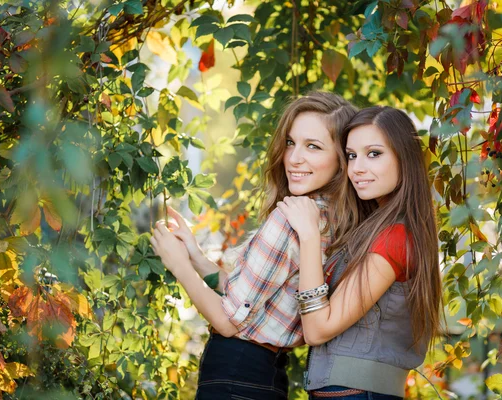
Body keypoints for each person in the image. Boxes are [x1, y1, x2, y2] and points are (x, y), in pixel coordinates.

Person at [149, 91, 357, 400]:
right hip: (266, 374)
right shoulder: (330, 220)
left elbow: (228, 321)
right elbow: (246, 300)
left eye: (313, 146)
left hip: (237, 371)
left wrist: (178, 264)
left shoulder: (290, 220)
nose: (294, 157)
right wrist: (195, 256)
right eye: (290, 143)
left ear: (341, 160)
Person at [277, 106, 442, 399]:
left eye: (374, 153)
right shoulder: (379, 228)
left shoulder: (394, 237)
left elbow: (318, 329)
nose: (357, 168)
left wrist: (310, 235)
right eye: (351, 156)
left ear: (404, 158)